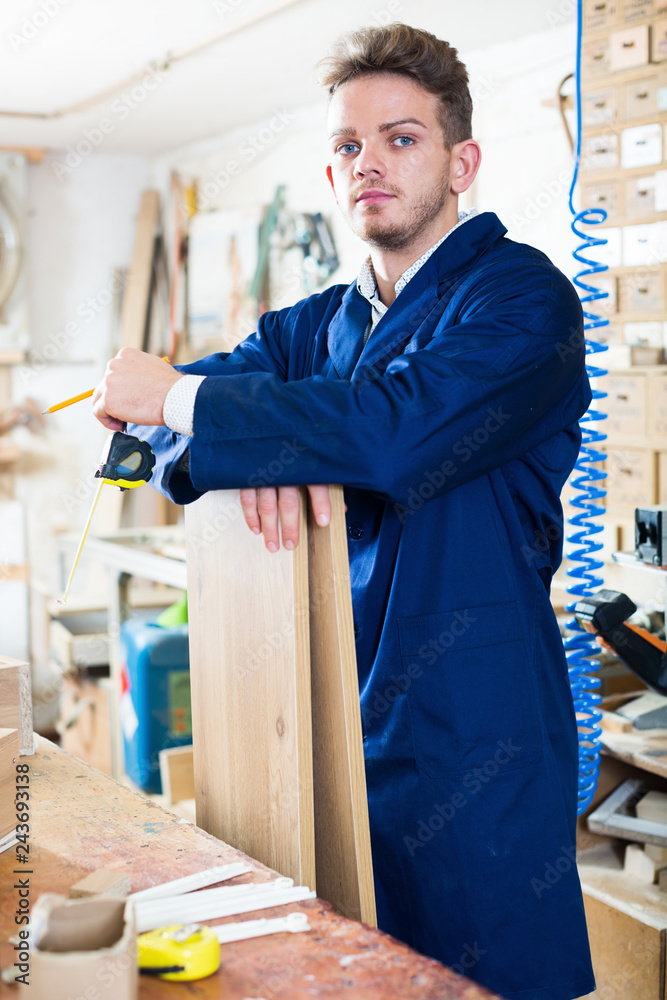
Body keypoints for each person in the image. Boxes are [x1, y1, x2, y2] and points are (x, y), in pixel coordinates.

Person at [92, 22, 596, 1000]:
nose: (367, 162)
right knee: (356, 974)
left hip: (472, 733)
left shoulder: (521, 302)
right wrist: (240, 454)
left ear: (462, 163)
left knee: (485, 975)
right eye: (346, 146)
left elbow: (394, 429)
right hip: (330, 718)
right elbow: (139, 441)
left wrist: (208, 412)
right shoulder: (313, 326)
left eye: (400, 138)